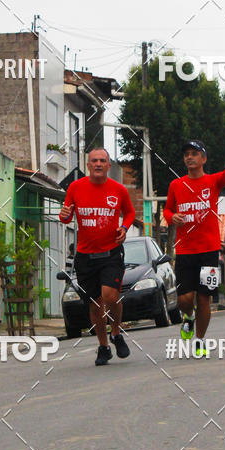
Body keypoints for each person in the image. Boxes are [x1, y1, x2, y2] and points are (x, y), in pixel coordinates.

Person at [164, 139, 225, 357]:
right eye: (186, 154)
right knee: (185, 299)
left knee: (204, 299)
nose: (189, 157)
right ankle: (189, 317)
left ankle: (199, 339)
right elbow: (167, 210)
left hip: (209, 252)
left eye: (194, 153)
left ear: (203, 158)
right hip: (185, 252)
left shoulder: (213, 181)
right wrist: (171, 217)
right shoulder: (176, 185)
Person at [58, 148, 135, 366]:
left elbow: (130, 213)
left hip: (111, 253)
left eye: (102, 161)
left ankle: (116, 332)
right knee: (95, 304)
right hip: (85, 256)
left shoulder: (118, 190)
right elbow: (66, 216)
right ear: (88, 165)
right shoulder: (75, 187)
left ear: (109, 165)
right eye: (94, 161)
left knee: (110, 296)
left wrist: (124, 228)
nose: (98, 164)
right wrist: (63, 215)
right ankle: (104, 346)